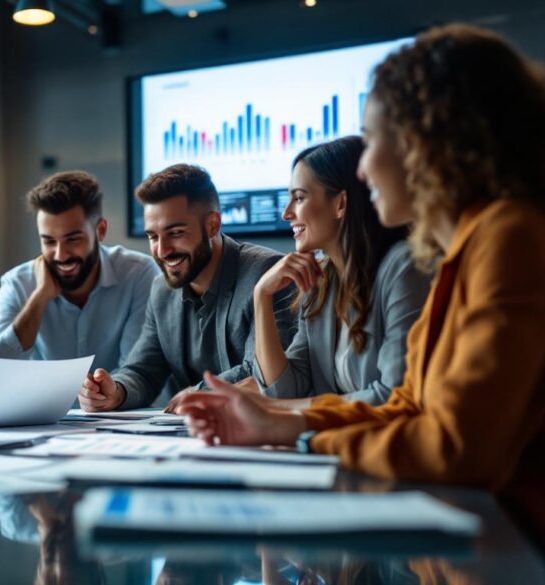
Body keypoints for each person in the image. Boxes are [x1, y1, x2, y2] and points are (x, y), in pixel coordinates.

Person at [178, 24, 545, 549]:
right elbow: (407, 408)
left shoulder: (508, 237)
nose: (365, 170)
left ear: (427, 144)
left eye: (373, 143)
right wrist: (268, 424)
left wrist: (304, 439)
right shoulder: (461, 254)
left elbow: (454, 449)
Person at [78, 163, 296, 412]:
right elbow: (143, 370)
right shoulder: (162, 290)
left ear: (212, 225)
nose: (162, 250)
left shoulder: (267, 274)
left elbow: (262, 373)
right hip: (192, 437)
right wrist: (115, 391)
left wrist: (199, 393)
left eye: (176, 232)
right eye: (153, 236)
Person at [251, 136, 429, 408]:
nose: (287, 213)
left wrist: (281, 409)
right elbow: (283, 392)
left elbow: (393, 394)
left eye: (299, 197)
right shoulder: (320, 282)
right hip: (336, 444)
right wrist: (261, 296)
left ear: (340, 204)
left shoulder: (402, 267)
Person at [0, 171, 159, 372]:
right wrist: (40, 297)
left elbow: (136, 368)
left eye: (73, 239)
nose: (60, 255)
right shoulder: (17, 283)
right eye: (49, 241)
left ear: (100, 230)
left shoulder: (138, 274)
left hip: (117, 403)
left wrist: (103, 396)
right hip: (45, 405)